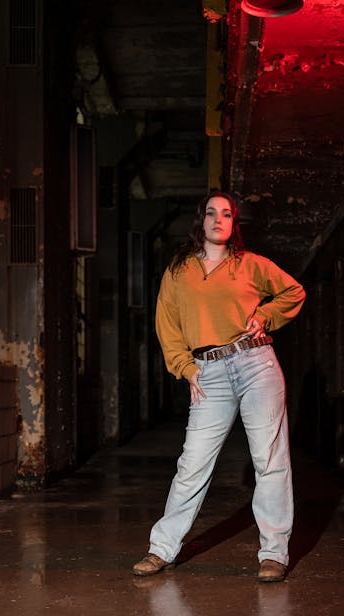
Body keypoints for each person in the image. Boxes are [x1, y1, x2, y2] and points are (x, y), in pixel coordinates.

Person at [133, 192, 306, 582]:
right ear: (201, 220)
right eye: (211, 212)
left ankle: (273, 554)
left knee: (269, 459)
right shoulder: (179, 272)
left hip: (256, 364)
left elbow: (294, 292)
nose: (218, 219)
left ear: (234, 224)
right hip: (208, 372)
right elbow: (168, 326)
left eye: (226, 213)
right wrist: (185, 368)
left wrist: (264, 315)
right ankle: (162, 549)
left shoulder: (250, 265)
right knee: (192, 463)